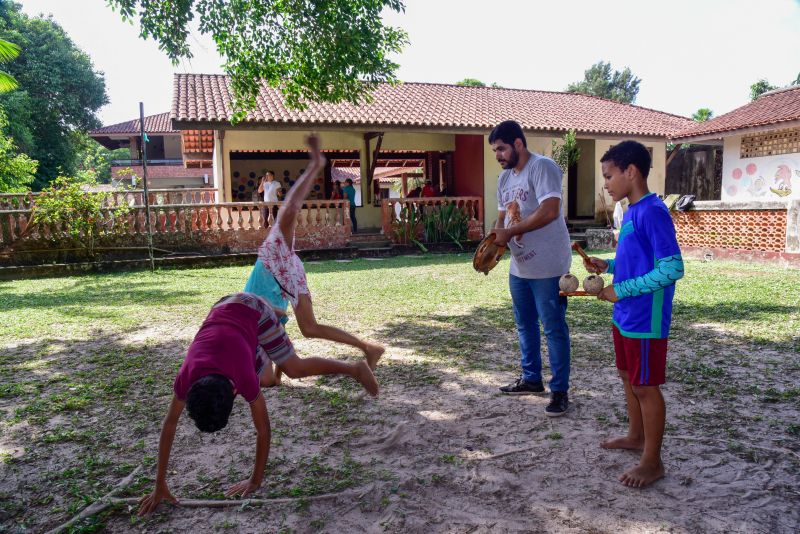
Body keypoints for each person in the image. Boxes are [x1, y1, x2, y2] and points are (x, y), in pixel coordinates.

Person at [137, 292, 378, 515]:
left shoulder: (243, 376)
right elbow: (169, 424)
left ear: (235, 390)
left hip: (251, 312)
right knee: (267, 379)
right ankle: (274, 317)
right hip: (225, 307)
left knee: (293, 368)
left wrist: (255, 480)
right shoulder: (187, 375)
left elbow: (263, 430)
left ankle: (354, 369)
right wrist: (160, 484)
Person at [583, 140, 684, 488]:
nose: (606, 184)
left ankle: (652, 461)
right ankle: (636, 437)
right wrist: (608, 265)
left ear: (631, 172)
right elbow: (636, 262)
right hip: (625, 316)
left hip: (645, 319)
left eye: (609, 176)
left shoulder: (653, 211)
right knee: (629, 377)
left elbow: (672, 268)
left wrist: (621, 289)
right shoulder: (632, 211)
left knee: (645, 386)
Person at [243, 134, 384, 371]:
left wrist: (314, 165)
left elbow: (290, 209)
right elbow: (279, 323)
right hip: (286, 273)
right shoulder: (279, 264)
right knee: (309, 328)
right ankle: (368, 347)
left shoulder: (275, 249)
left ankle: (315, 165)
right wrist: (277, 375)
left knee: (288, 213)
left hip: (276, 267)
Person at [489, 120, 572, 417]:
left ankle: (560, 391)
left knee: (553, 328)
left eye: (501, 149)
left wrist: (510, 233)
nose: (498, 155)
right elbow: (501, 218)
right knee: (524, 324)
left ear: (518, 144)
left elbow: (550, 211)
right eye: (495, 150)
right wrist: (495, 243)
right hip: (519, 266)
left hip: (550, 264)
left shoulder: (542, 167)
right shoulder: (504, 179)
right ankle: (531, 379)